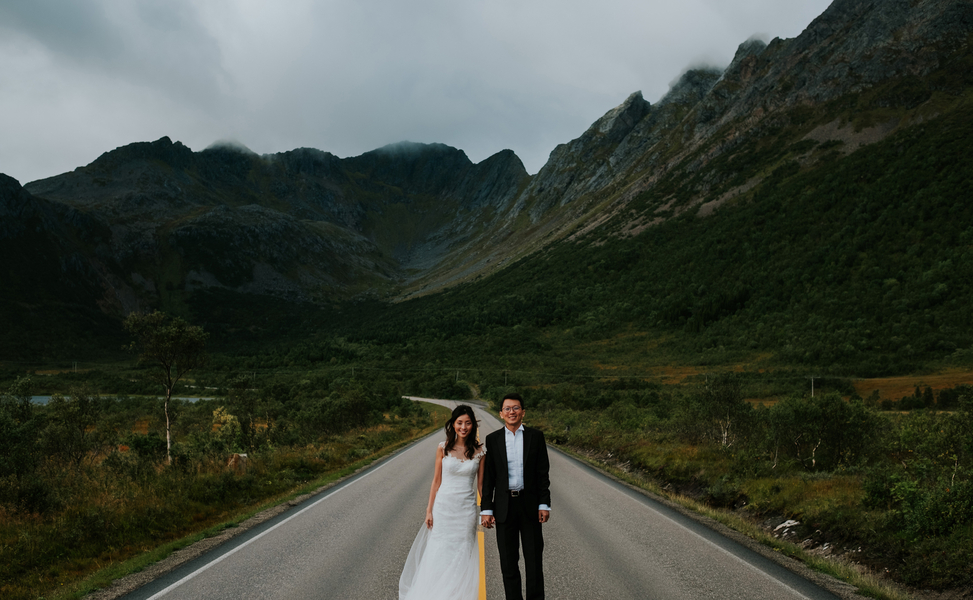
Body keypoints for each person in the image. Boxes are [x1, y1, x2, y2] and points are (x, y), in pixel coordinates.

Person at [399, 405, 486, 600]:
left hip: (466, 511)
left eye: (468, 423)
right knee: (439, 553)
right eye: (460, 423)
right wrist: (429, 510)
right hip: (443, 509)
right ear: (453, 424)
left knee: (462, 555)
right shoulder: (443, 447)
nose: (464, 427)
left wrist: (487, 509)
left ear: (473, 425)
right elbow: (436, 481)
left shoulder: (480, 451)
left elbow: (481, 486)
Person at [480, 393, 551, 600]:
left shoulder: (535, 437)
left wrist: (544, 504)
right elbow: (489, 478)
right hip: (504, 507)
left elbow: (542, 474)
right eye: (508, 409)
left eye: (516, 408)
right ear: (501, 414)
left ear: (523, 412)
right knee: (508, 563)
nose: (512, 412)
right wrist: (486, 509)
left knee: (534, 562)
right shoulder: (492, 440)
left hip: (529, 506)